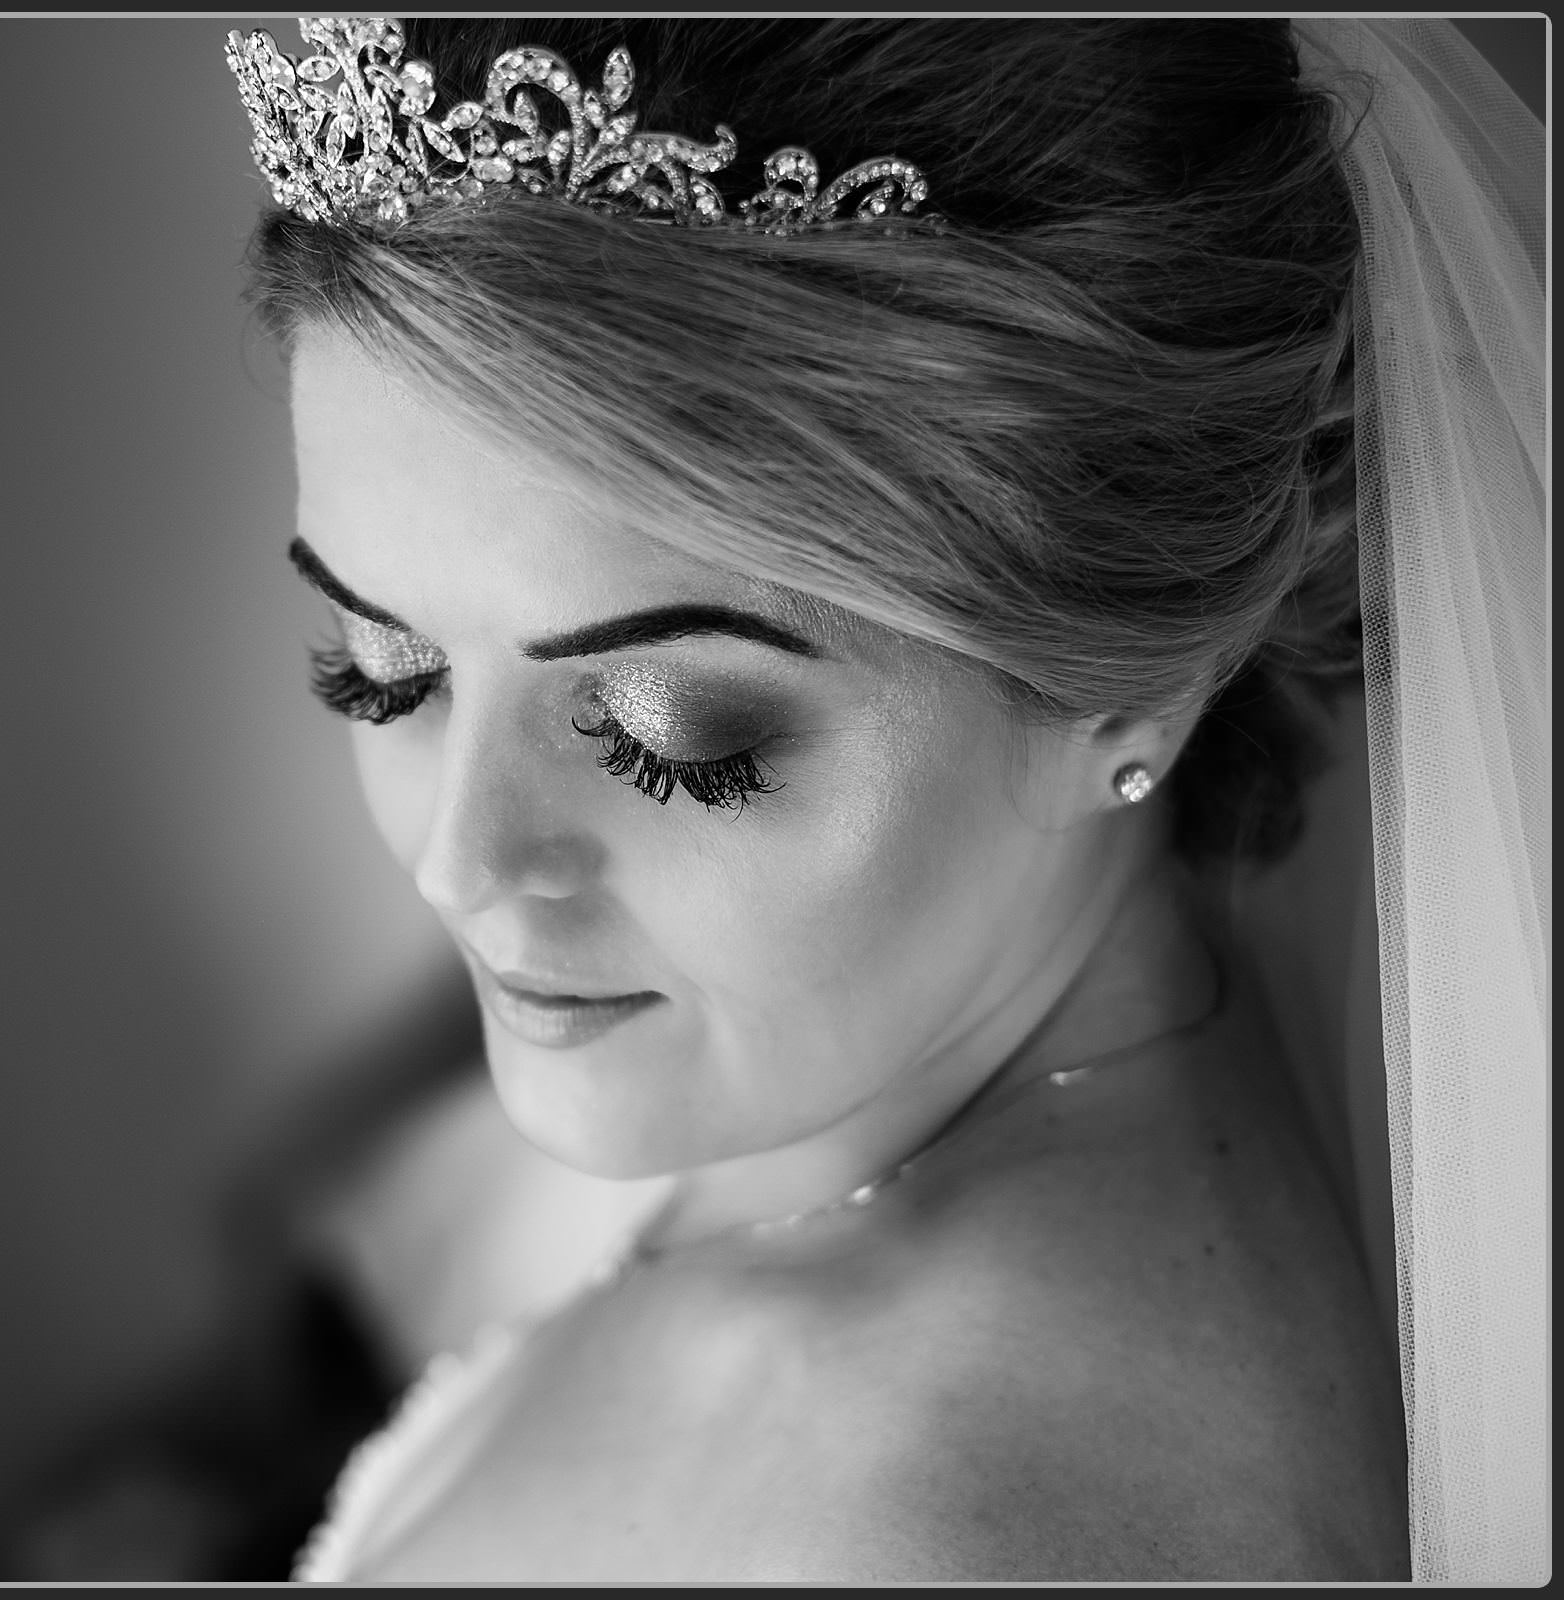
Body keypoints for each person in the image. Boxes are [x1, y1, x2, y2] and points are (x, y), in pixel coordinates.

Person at [225, 17, 1546, 1582]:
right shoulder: (834, 1088)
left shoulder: (970, 1538)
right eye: (383, 669)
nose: (462, 862)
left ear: (1122, 683)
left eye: (674, 736)